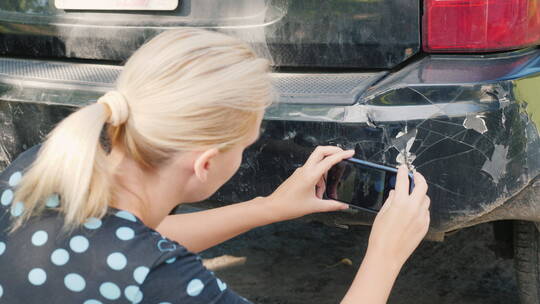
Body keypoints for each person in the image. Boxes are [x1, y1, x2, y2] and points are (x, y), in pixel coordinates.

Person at [0, 28, 430, 304]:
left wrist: (268, 207)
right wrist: (385, 254)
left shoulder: (37, 169)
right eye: (245, 144)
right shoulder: (165, 282)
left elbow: (127, 238)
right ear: (205, 164)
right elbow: (143, 254)